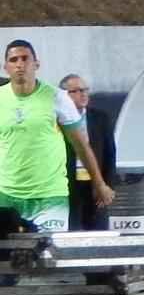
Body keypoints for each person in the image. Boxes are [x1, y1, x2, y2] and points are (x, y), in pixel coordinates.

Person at [0, 40, 114, 232]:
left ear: (36, 64)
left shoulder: (57, 98)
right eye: (13, 60)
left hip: (49, 197)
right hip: (6, 195)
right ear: (6, 67)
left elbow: (81, 145)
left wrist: (99, 183)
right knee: (8, 259)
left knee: (46, 257)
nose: (20, 64)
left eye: (25, 58)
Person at [59, 73, 117, 231]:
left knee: (99, 234)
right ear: (64, 95)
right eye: (76, 91)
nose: (83, 94)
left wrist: (106, 186)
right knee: (71, 233)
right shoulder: (55, 120)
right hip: (68, 187)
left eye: (85, 89)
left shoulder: (100, 118)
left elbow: (110, 156)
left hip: (96, 186)